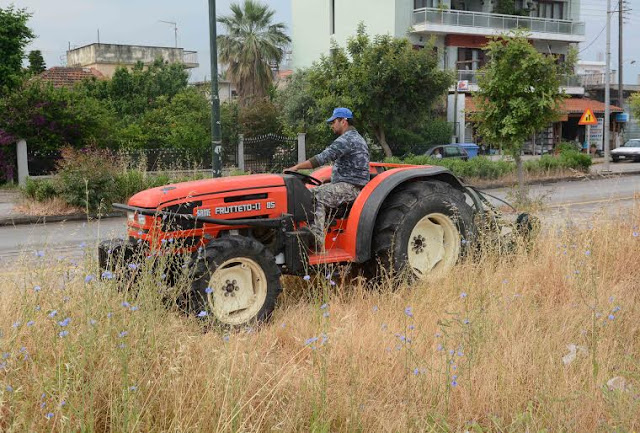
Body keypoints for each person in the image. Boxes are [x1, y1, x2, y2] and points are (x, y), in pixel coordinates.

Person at [285, 107, 370, 251]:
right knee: (308, 193)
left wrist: (296, 168)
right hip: (348, 184)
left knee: (316, 196)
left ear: (343, 121)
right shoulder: (356, 137)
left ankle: (316, 242)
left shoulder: (347, 139)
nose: (332, 125)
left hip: (352, 188)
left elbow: (322, 157)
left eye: (333, 122)